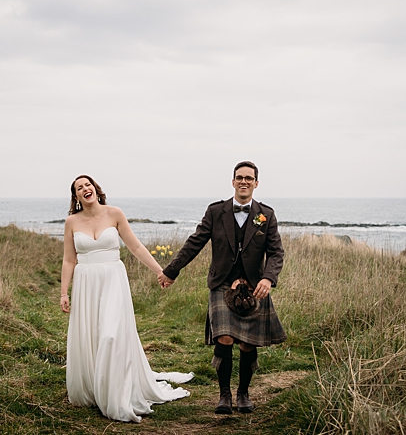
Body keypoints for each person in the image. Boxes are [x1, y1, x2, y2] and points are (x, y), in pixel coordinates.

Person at [61, 174, 192, 422]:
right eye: (79, 188)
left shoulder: (114, 213)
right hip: (86, 282)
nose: (84, 189)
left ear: (96, 189)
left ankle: (116, 394)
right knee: (91, 336)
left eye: (87, 184)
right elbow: (69, 259)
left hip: (113, 280)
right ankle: (93, 388)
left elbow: (136, 247)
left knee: (111, 335)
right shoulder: (71, 222)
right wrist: (63, 292)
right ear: (76, 196)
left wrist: (160, 272)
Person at [158, 161, 286, 414]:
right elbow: (195, 242)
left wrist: (268, 278)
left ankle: (243, 394)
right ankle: (224, 395)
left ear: (256, 183)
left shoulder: (266, 215)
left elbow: (276, 252)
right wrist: (171, 270)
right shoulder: (216, 212)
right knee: (225, 337)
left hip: (253, 286)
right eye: (239, 177)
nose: (244, 182)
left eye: (249, 178)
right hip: (221, 282)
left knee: (248, 343)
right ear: (233, 181)